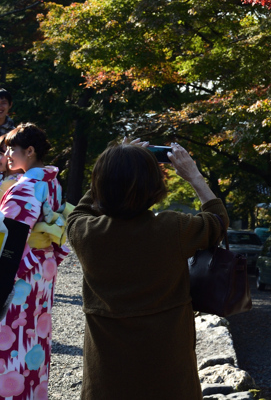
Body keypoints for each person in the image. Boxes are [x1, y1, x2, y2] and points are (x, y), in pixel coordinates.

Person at [67, 141, 227, 400]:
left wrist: (113, 167)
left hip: (107, 380)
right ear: (154, 187)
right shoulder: (172, 229)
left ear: (99, 185)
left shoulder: (85, 234)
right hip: (168, 376)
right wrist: (193, 175)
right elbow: (218, 220)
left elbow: (78, 213)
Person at [0, 123, 70, 400]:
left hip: (19, 273)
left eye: (11, 149)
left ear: (29, 151)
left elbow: (9, 241)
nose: (6, 154)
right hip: (42, 269)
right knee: (34, 336)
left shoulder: (25, 187)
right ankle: (31, 392)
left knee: (10, 337)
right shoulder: (51, 183)